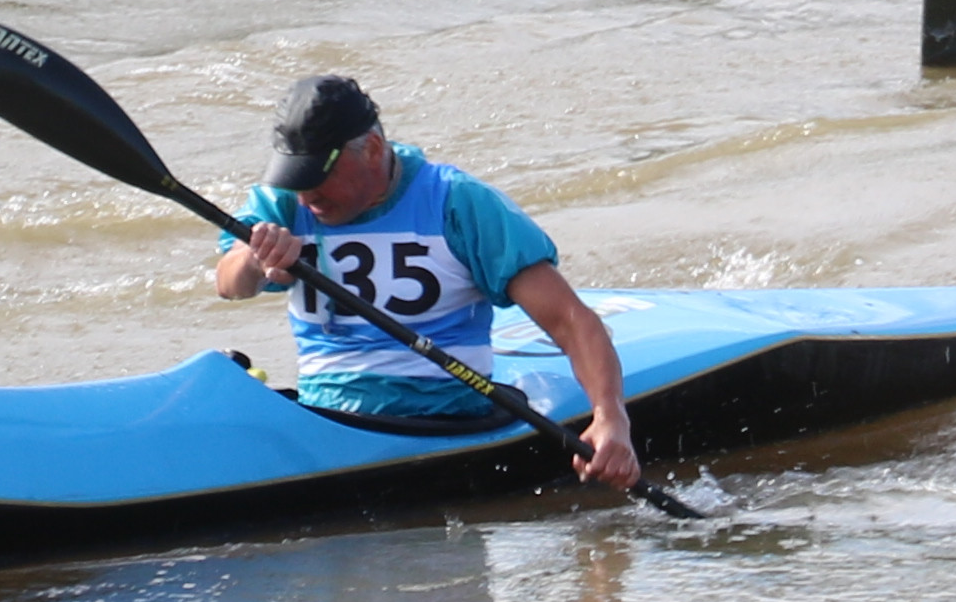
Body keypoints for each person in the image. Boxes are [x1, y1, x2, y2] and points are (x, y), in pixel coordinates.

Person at [207, 69, 639, 490]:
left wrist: (610, 418)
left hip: (447, 419)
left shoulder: (457, 203)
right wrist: (254, 261)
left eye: (318, 178)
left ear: (373, 149)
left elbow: (569, 319)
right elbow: (229, 283)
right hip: (329, 420)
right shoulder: (282, 203)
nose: (305, 197)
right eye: (296, 180)